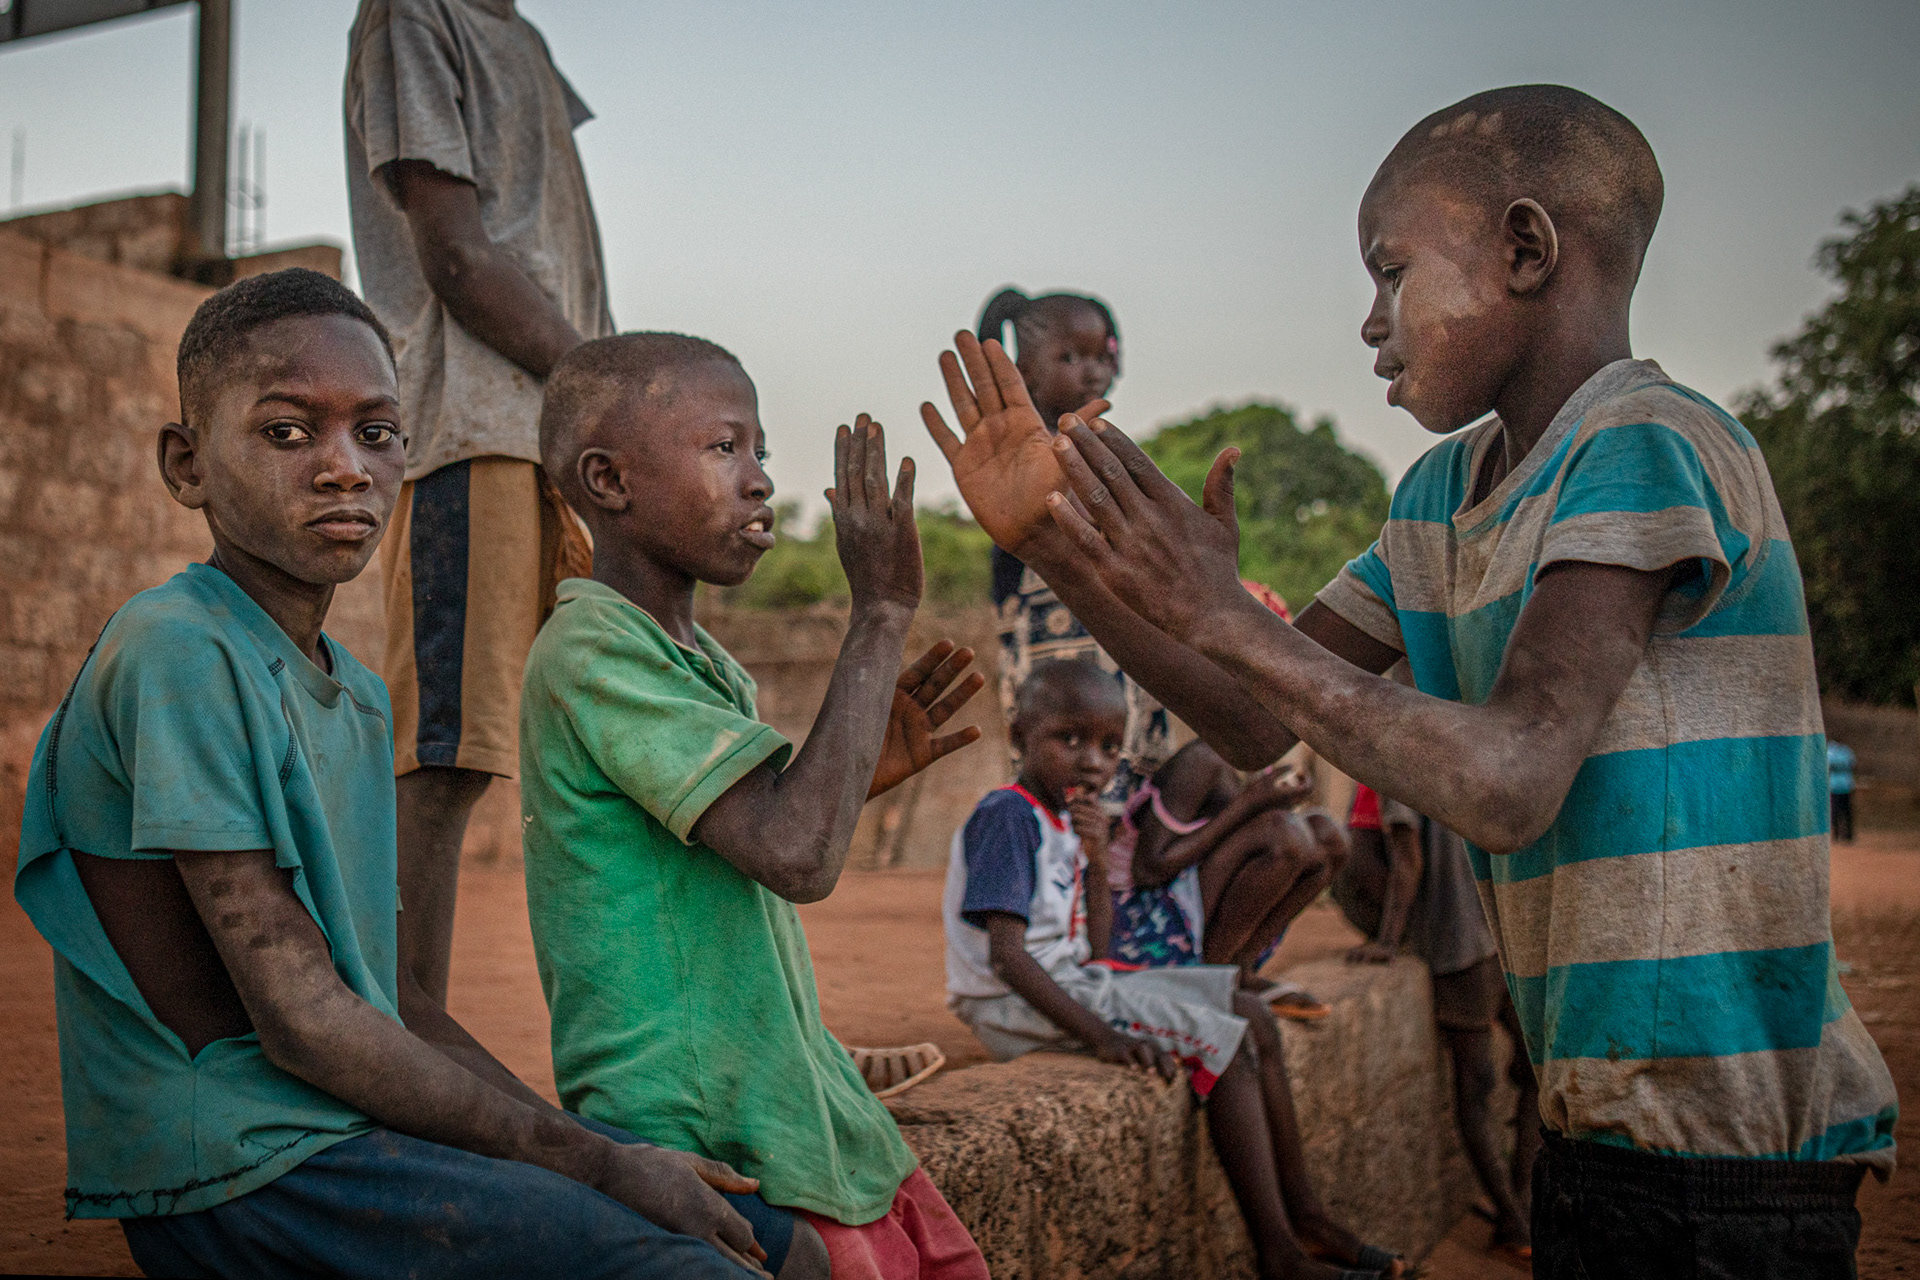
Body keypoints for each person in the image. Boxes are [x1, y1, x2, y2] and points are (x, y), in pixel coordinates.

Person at [923, 84, 1898, 1279]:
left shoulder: (1648, 441)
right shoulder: (1439, 500)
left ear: (1527, 249)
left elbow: (1507, 777)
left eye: (1391, 273)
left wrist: (1224, 610)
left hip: (1728, 1149)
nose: (1372, 322)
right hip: (1599, 1119)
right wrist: (1060, 541)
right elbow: (1245, 715)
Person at [13, 271, 818, 1279]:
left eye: (378, 433)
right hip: (239, 1166)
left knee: (784, 1245)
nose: (346, 468)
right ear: (187, 464)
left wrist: (616, 1160)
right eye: (288, 433)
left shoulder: (350, 691)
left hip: (338, 1123)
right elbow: (307, 1022)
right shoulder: (174, 647)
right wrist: (593, 1165)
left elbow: (393, 1001)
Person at [520, 333, 992, 1279]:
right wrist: (880, 615)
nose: (759, 480)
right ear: (608, 481)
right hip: (697, 1130)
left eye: (761, 452)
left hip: (774, 1101)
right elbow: (795, 856)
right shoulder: (592, 651)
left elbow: (760, 833)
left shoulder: (702, 667)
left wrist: (860, 769)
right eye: (724, 448)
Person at [943, 659, 1404, 1280]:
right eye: (1069, 739)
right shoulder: (1007, 815)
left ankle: (1309, 1217)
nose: (1092, 762)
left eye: (1109, 746)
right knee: (1227, 1040)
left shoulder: (1066, 820)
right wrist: (1102, 1037)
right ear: (1019, 734)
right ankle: (1280, 1255)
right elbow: (1008, 956)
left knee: (1251, 1012)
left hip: (1074, 979)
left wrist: (1097, 859)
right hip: (1013, 998)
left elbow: (1099, 949)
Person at [345, 0, 615, 1005]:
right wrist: (611, 386)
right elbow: (456, 256)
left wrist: (605, 408)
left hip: (576, 443)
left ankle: (706, 1061)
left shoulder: (523, 40)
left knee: (625, 763)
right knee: (448, 757)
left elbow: (550, 252)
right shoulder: (411, 14)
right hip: (479, 430)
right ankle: (407, 1058)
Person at [1336, 780, 1536, 1262]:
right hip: (1495, 932)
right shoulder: (1444, 745)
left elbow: (1408, 862)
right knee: (1529, 1072)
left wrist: (1387, 940)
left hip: (1457, 944)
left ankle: (1515, 1216)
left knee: (1477, 1087)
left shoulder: (1391, 770)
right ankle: (1519, 1206)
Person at [1828, 739, 1856, 843]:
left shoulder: (1841, 751)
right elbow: (1851, 763)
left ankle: (1845, 835)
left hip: (1841, 786)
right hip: (1840, 786)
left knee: (1843, 813)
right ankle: (1838, 835)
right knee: (1839, 813)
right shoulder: (1845, 752)